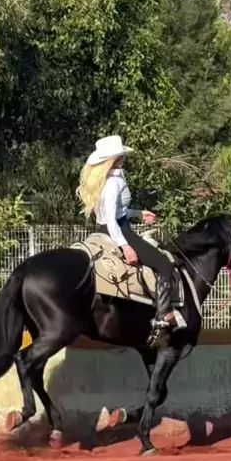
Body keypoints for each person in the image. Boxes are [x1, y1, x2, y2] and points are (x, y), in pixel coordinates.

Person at [77, 134, 175, 340]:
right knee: (164, 265)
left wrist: (139, 214)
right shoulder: (113, 182)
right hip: (119, 231)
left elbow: (116, 212)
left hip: (103, 229)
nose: (124, 157)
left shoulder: (104, 180)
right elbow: (112, 220)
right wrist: (125, 245)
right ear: (116, 158)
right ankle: (163, 316)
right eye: (122, 154)